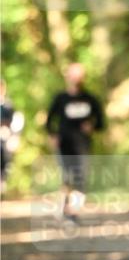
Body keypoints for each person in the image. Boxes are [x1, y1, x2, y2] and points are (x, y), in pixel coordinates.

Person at [46, 63, 104, 220]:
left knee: (81, 178)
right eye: (73, 75)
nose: (75, 79)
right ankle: (65, 207)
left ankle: (73, 213)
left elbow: (101, 123)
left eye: (79, 75)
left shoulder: (90, 99)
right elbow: (49, 120)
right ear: (67, 77)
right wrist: (52, 136)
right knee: (66, 177)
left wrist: (92, 126)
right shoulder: (61, 98)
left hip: (82, 146)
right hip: (64, 144)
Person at [1, 79, 24, 192]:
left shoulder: (8, 105)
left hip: (5, 138)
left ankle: (2, 183)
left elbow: (15, 123)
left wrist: (14, 137)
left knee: (5, 161)